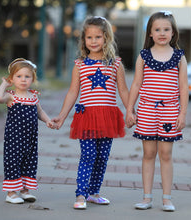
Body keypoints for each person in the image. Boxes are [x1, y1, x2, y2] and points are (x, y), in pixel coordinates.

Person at [52, 16, 129, 209]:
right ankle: (81, 194)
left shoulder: (115, 64)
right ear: (84, 40)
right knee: (88, 155)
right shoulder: (80, 65)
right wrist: (61, 116)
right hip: (86, 117)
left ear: (106, 38)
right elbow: (72, 92)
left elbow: (123, 91)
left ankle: (94, 192)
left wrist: (130, 111)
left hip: (108, 117)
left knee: (102, 156)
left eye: (98, 37)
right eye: (89, 37)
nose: (93, 41)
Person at [126, 11, 188, 212]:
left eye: (166, 29)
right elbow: (136, 84)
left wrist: (182, 114)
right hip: (146, 110)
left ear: (173, 32)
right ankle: (146, 197)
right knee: (149, 152)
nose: (162, 33)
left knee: (166, 153)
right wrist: (129, 109)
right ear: (150, 33)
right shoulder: (144, 56)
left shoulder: (179, 57)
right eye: (157, 29)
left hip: (170, 111)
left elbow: (183, 88)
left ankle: (167, 198)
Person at [0, 58, 54, 204]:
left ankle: (25, 190)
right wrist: (3, 84)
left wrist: (48, 120)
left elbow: (40, 112)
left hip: (30, 138)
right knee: (13, 162)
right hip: (14, 138)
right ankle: (11, 193)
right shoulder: (11, 96)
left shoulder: (33, 96)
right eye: (19, 76)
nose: (23, 80)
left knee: (29, 162)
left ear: (32, 79)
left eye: (27, 76)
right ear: (12, 79)